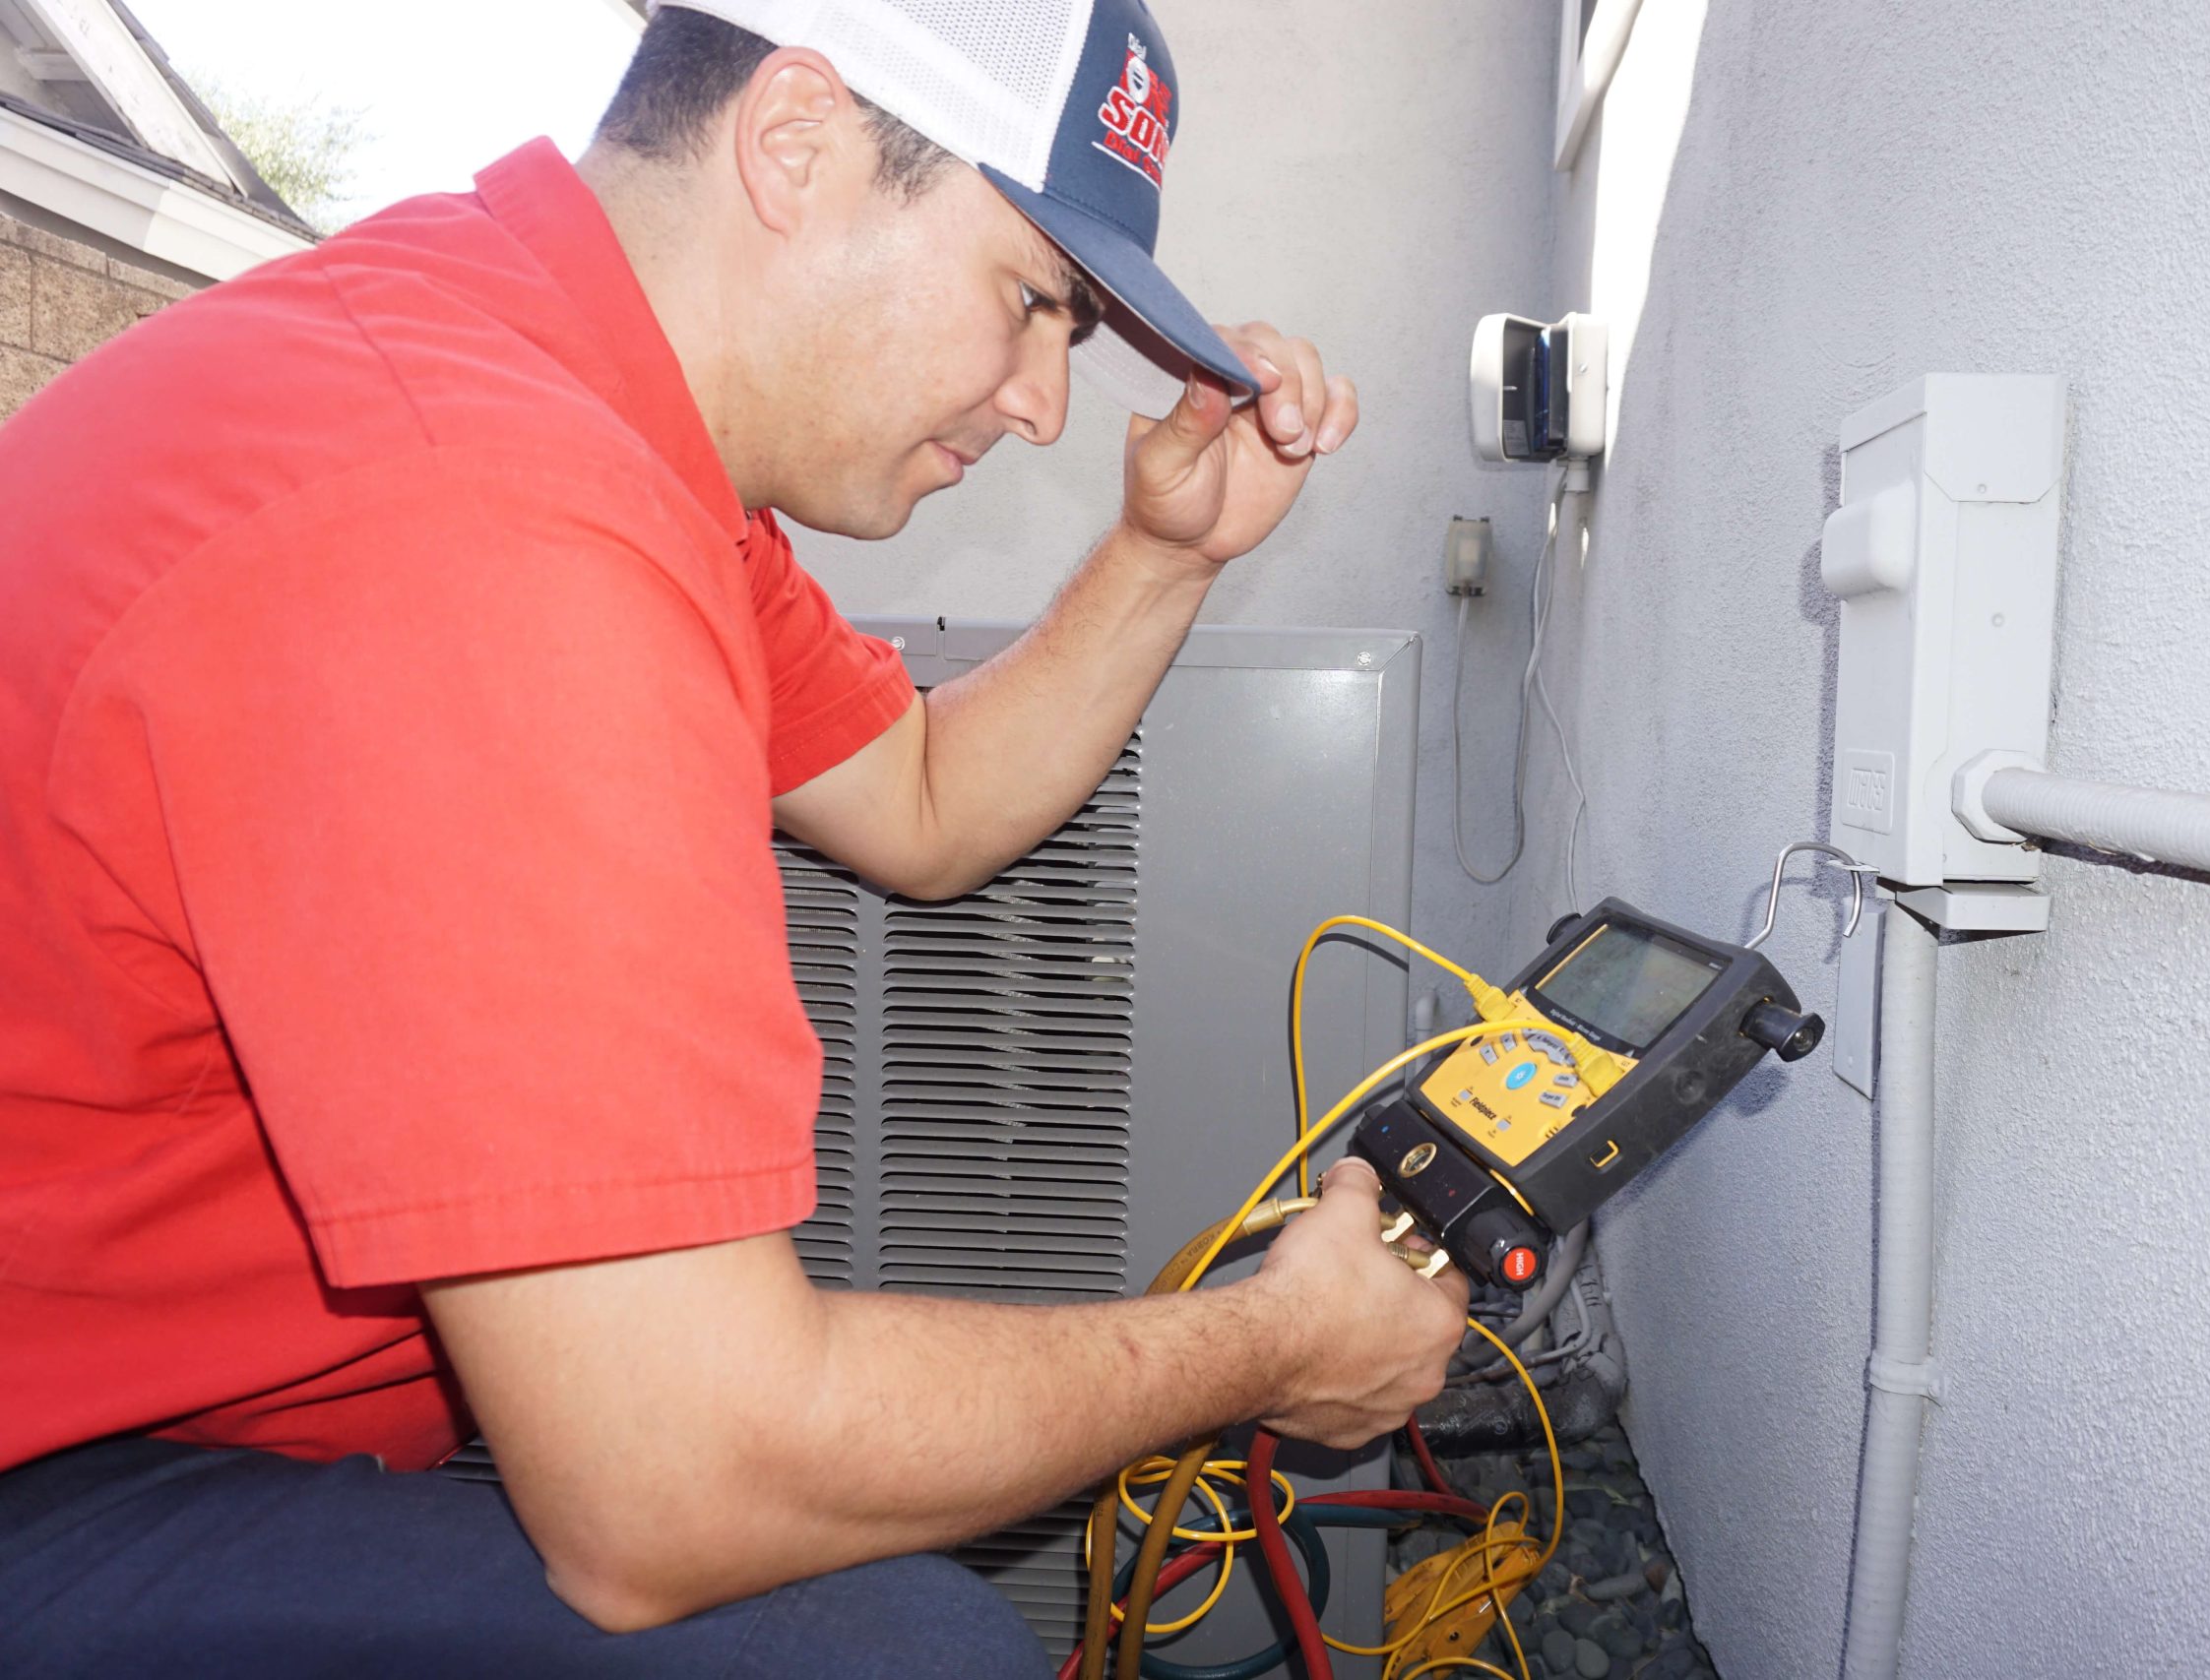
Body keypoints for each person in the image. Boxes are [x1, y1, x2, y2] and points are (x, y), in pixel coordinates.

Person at [0, 1, 1469, 1672]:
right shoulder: (473, 515)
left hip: (164, 1422)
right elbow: (674, 1494)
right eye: (1030, 303)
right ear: (793, 144)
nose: (1049, 405)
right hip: (55, 1474)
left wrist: (1163, 556)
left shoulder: (556, 387)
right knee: (888, 1656)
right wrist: (1271, 1342)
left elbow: (922, 804)